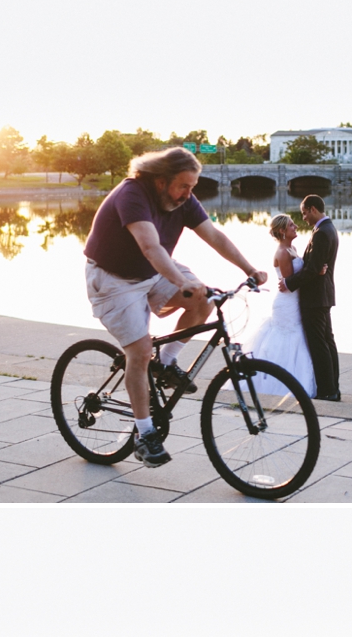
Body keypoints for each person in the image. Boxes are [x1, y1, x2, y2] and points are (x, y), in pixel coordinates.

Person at [83, 147, 267, 468]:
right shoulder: (133, 194)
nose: (188, 194)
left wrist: (249, 270)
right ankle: (144, 434)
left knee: (205, 299)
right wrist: (179, 281)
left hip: (152, 271)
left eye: (193, 187)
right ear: (161, 181)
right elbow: (150, 246)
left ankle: (165, 364)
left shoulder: (183, 199)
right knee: (139, 353)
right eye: (184, 186)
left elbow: (214, 236)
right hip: (114, 280)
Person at [248, 214, 317, 396]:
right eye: (291, 225)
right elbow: (290, 284)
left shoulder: (292, 248)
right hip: (287, 304)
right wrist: (314, 275)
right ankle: (280, 385)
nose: (295, 226)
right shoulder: (282, 253)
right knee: (288, 339)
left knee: (297, 339)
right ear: (282, 231)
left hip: (295, 302)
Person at [279, 196, 339, 401]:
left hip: (315, 297)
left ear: (312, 209)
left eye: (304, 213)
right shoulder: (328, 229)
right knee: (327, 341)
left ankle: (326, 390)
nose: (303, 218)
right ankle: (333, 387)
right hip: (323, 295)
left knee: (319, 344)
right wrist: (316, 269)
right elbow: (315, 266)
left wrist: (289, 284)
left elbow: (313, 268)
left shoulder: (322, 233)